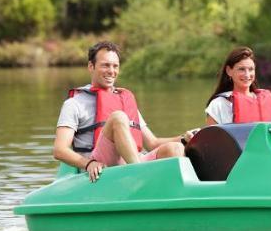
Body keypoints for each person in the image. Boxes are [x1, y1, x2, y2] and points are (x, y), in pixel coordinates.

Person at [54, 40, 194, 182]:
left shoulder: (124, 100)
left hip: (132, 162)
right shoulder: (74, 104)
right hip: (100, 165)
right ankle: (140, 176)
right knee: (118, 117)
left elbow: (152, 143)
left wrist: (184, 138)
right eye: (105, 65)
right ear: (91, 66)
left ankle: (176, 193)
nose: (111, 71)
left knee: (175, 149)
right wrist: (89, 163)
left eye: (115, 66)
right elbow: (60, 150)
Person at [204, 46, 271, 124]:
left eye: (251, 69)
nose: (247, 75)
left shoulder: (267, 99)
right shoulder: (218, 105)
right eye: (241, 69)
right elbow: (211, 135)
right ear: (229, 71)